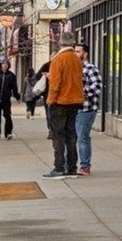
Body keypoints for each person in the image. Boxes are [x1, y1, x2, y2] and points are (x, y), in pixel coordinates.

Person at [44, 41, 83, 177]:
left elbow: (55, 84)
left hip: (60, 102)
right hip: (74, 102)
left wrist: (50, 100)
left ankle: (59, 167)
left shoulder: (58, 60)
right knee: (71, 135)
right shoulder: (77, 60)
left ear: (60, 44)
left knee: (58, 136)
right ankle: (72, 167)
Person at [73, 44, 102, 176]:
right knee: (71, 138)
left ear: (85, 54)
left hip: (86, 109)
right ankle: (70, 165)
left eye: (78, 51)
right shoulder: (73, 68)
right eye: (74, 51)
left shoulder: (90, 68)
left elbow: (97, 87)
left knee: (82, 138)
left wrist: (81, 92)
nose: (75, 53)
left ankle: (85, 166)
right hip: (72, 108)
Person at [0, 58, 19, 139]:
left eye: (6, 64)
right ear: (1, 65)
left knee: (7, 115)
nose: (5, 65)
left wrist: (17, 96)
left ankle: (8, 133)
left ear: (8, 65)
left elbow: (14, 87)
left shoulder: (11, 75)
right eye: (3, 64)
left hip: (6, 99)